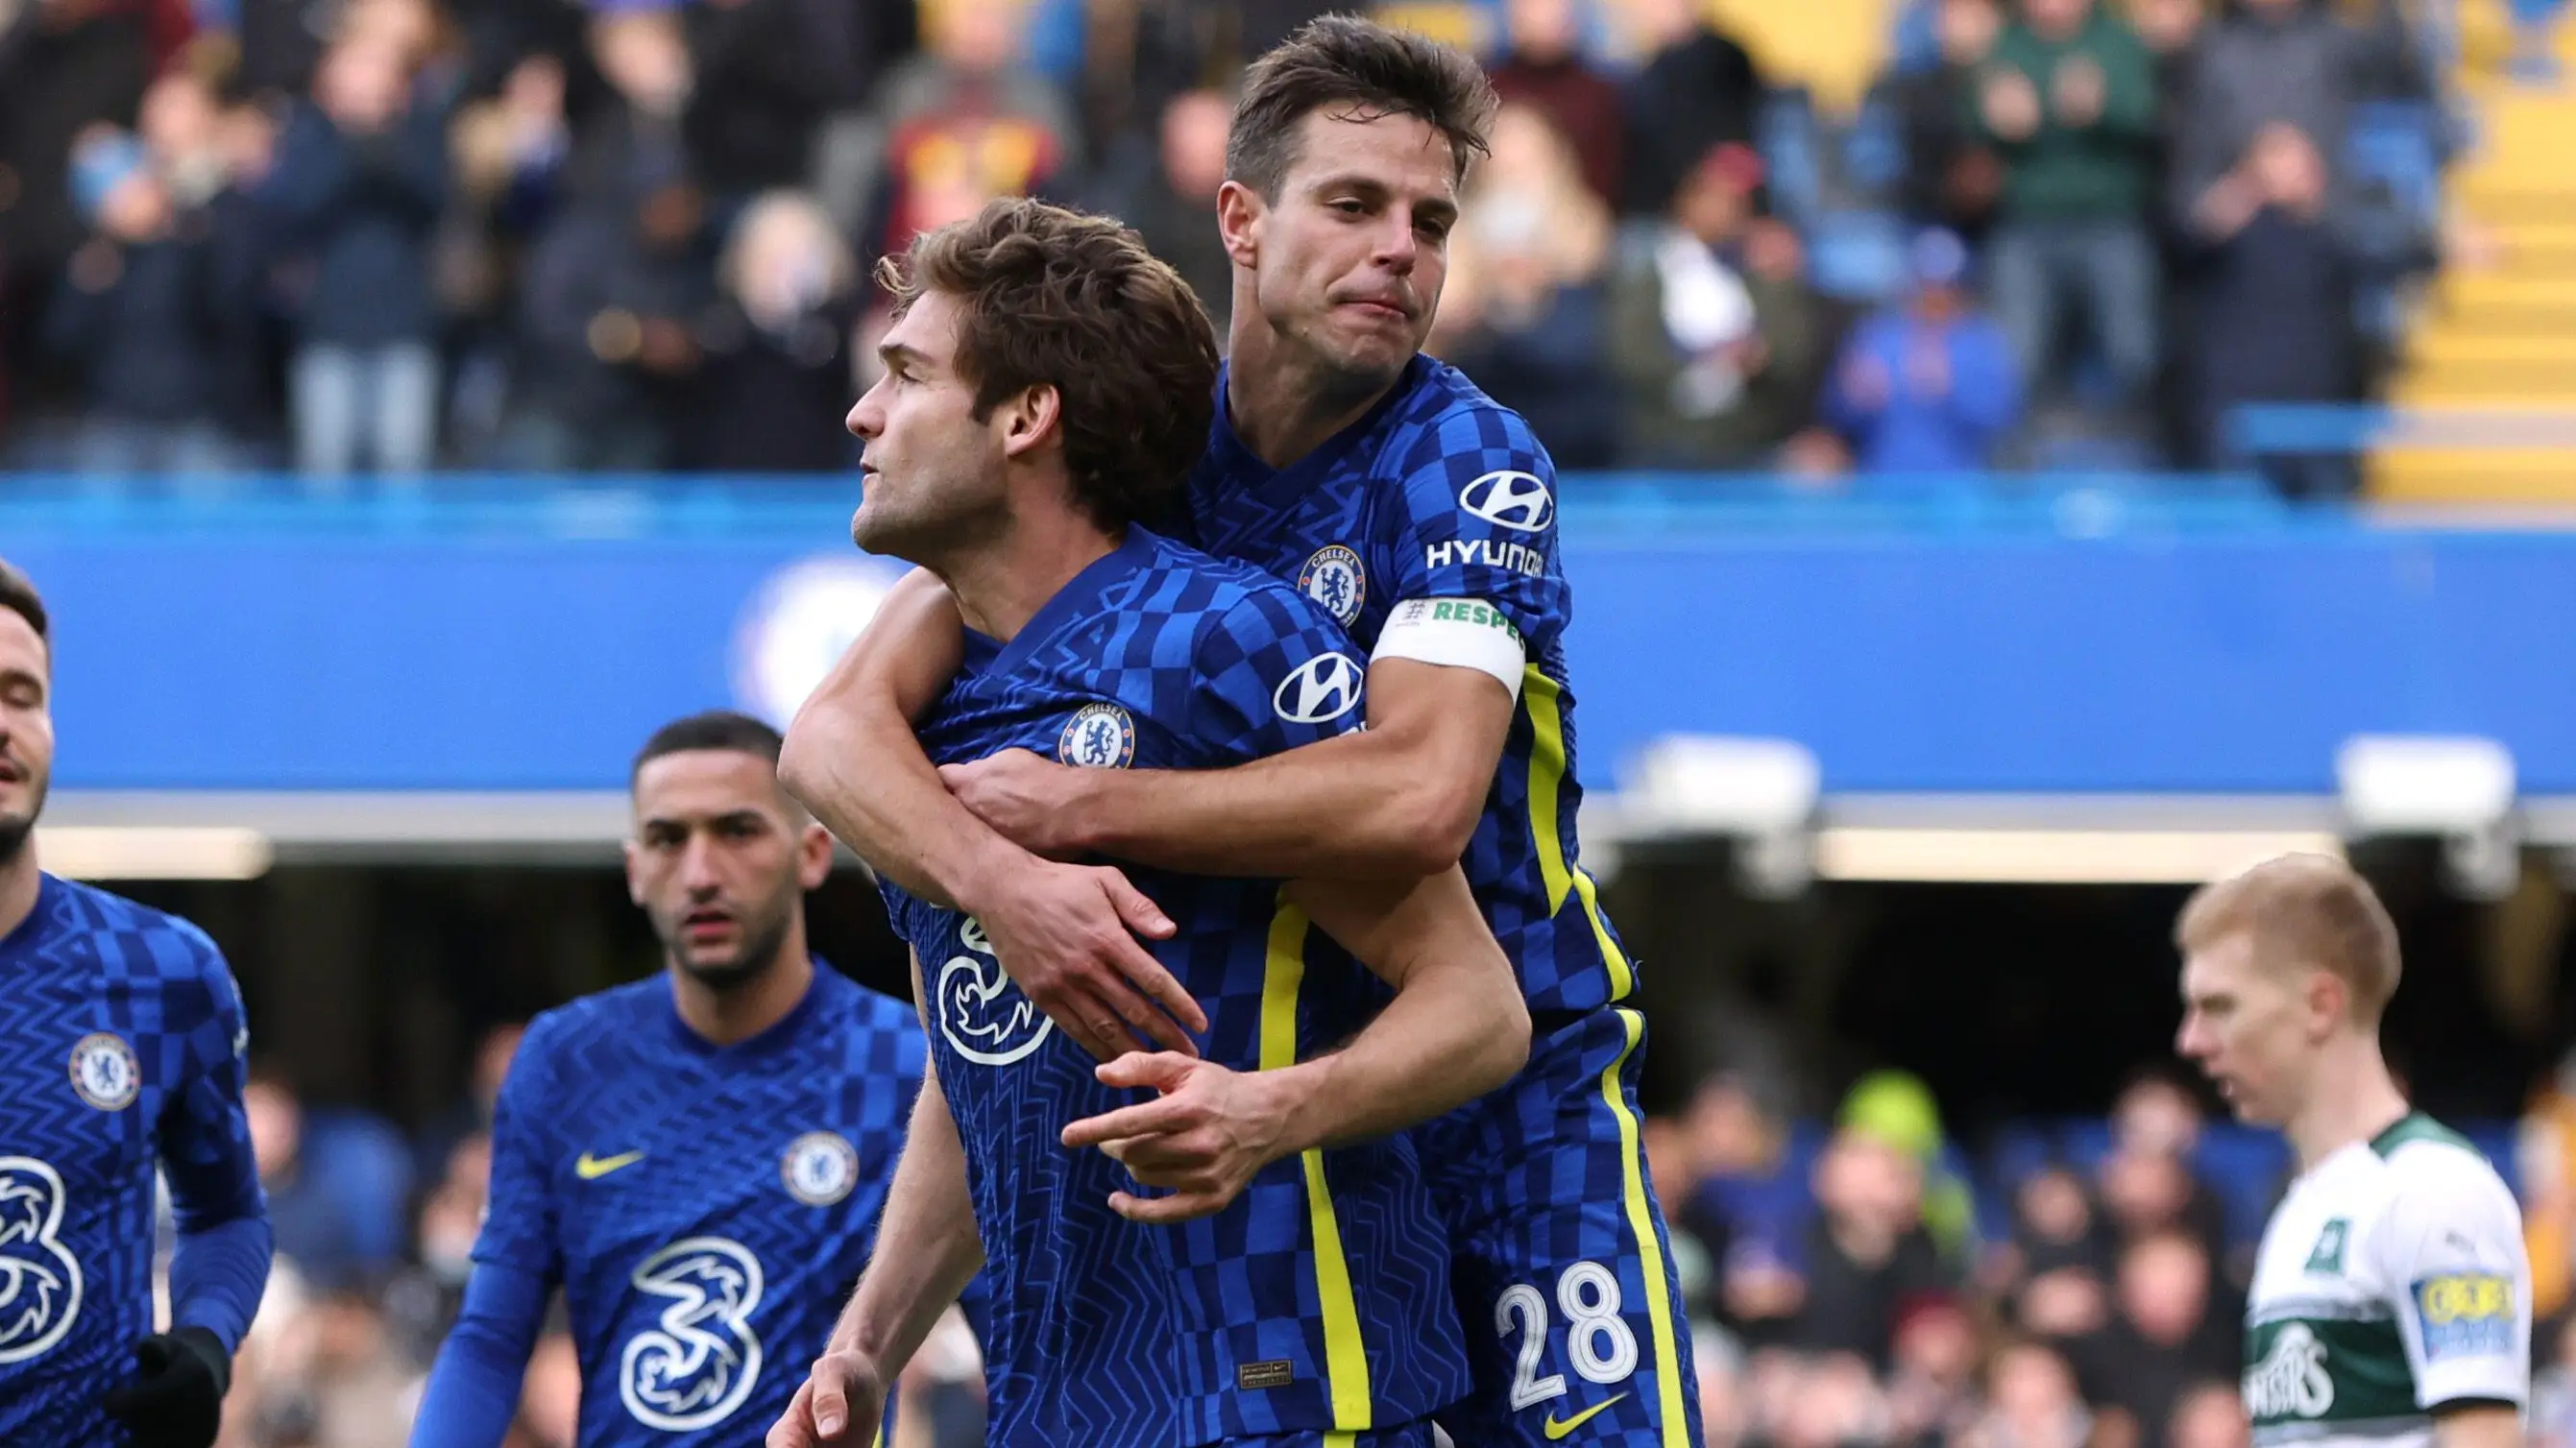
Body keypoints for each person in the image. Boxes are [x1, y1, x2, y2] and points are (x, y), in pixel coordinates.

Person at [778, 18, 1705, 1445]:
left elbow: (1416, 798)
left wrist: (1085, 811)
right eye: (1353, 205)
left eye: (1432, 221)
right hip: (1264, 1105)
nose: (1399, 249)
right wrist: (1004, 889)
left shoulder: (1461, 459)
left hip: (1512, 1109)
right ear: (1241, 220)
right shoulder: (1135, 452)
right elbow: (835, 735)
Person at [408, 710, 936, 1446]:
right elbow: (493, 1337)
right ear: (635, 870)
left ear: (812, 854)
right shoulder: (566, 1061)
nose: (700, 873)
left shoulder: (905, 1063)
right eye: (668, 839)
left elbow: (1011, 1329)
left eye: (737, 831)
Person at [0, 557, 273, 1448]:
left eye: (21, 695)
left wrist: (205, 1343)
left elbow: (226, 1213)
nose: (4, 725)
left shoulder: (160, 970)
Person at [2175, 855, 2529, 1448]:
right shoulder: (2303, 1203)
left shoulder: (2433, 1191)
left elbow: (2486, 1437)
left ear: (2321, 1005)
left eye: (2220, 1006)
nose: (2193, 1040)